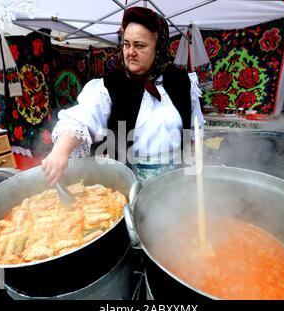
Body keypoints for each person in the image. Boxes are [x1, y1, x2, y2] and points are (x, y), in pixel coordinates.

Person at [42, 6, 204, 186]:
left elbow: (195, 132)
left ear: (159, 48)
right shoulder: (111, 85)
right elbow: (82, 117)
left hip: (175, 185)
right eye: (126, 44)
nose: (130, 52)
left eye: (139, 45)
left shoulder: (181, 82)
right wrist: (61, 151)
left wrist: (194, 175)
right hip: (127, 184)